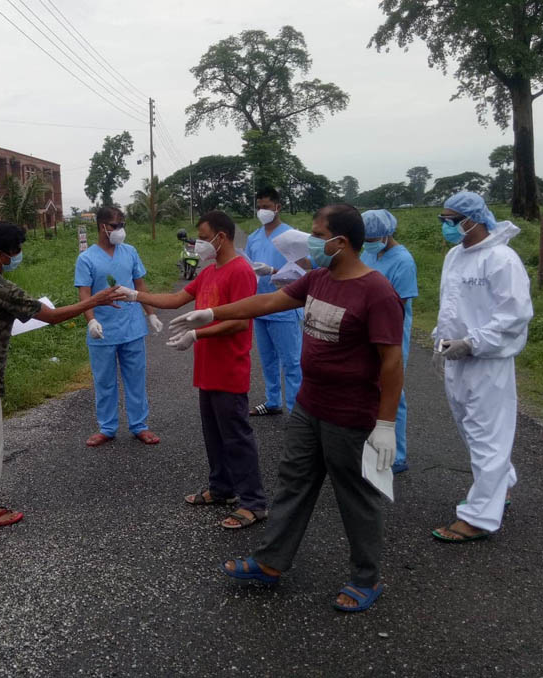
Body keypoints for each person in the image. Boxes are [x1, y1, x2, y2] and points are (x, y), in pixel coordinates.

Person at [169, 204, 404, 612]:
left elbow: (392, 362)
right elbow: (265, 303)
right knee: (293, 484)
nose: (310, 242)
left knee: (355, 496)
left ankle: (366, 577)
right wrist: (209, 314)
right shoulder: (317, 279)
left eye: (318, 235)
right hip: (309, 408)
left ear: (341, 242)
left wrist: (385, 424)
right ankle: (271, 561)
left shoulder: (376, 291)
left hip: (350, 415)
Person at [0, 221, 122, 527]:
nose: (18, 256)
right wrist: (94, 301)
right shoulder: (1, 287)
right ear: (1, 255)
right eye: (16, 251)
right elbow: (51, 317)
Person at [116, 211, 267, 529]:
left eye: (204, 237)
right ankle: (222, 489)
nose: (199, 243)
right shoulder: (209, 271)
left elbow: (240, 321)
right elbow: (175, 299)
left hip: (229, 368)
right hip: (207, 368)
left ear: (221, 237)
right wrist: (135, 295)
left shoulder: (241, 271)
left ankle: (253, 502)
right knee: (213, 434)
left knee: (236, 436)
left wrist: (197, 334)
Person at [431, 192, 533, 543]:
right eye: (443, 219)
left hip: (488, 362)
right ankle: (500, 485)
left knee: (488, 435)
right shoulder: (455, 256)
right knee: (470, 429)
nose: (446, 226)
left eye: (451, 219)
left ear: (473, 219)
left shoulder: (501, 259)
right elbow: (452, 305)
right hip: (456, 358)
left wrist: (473, 342)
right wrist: (442, 338)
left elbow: (514, 315)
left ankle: (478, 518)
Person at [76, 207, 162, 447]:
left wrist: (151, 314)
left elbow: (140, 286)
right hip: (103, 331)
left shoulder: (130, 252)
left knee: (136, 379)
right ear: (102, 226)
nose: (120, 230)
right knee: (104, 381)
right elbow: (84, 294)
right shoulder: (86, 258)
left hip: (132, 327)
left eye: (122, 225)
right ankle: (107, 427)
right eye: (115, 226)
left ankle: (139, 425)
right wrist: (91, 320)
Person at [360, 209, 418, 474]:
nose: (368, 243)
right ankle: (372, 445)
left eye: (372, 238)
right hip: (365, 328)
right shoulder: (369, 253)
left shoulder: (403, 261)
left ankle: (398, 456)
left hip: (390, 332)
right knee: (368, 387)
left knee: (392, 390)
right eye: (365, 239)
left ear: (386, 234)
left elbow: (399, 304)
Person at [244, 188, 304, 417]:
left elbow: (302, 274)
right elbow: (247, 265)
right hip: (261, 305)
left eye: (266, 207)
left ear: (278, 207)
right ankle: (273, 401)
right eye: (259, 207)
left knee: (291, 362)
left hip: (285, 306)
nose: (262, 211)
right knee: (268, 359)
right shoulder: (254, 237)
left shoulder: (292, 236)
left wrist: (273, 271)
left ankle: (296, 411)